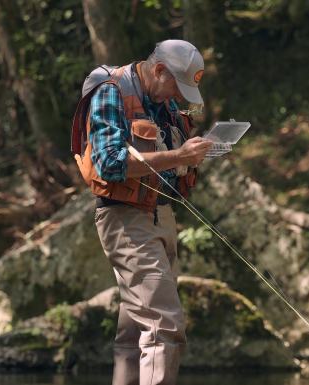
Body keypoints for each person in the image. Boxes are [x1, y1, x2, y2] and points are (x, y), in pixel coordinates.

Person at [71, 40, 212, 385]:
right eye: (175, 88)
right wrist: (179, 157)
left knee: (135, 332)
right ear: (159, 69)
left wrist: (191, 155)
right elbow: (110, 163)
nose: (176, 98)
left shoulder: (162, 103)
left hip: (161, 217)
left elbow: (163, 158)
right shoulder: (111, 91)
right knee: (164, 324)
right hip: (125, 219)